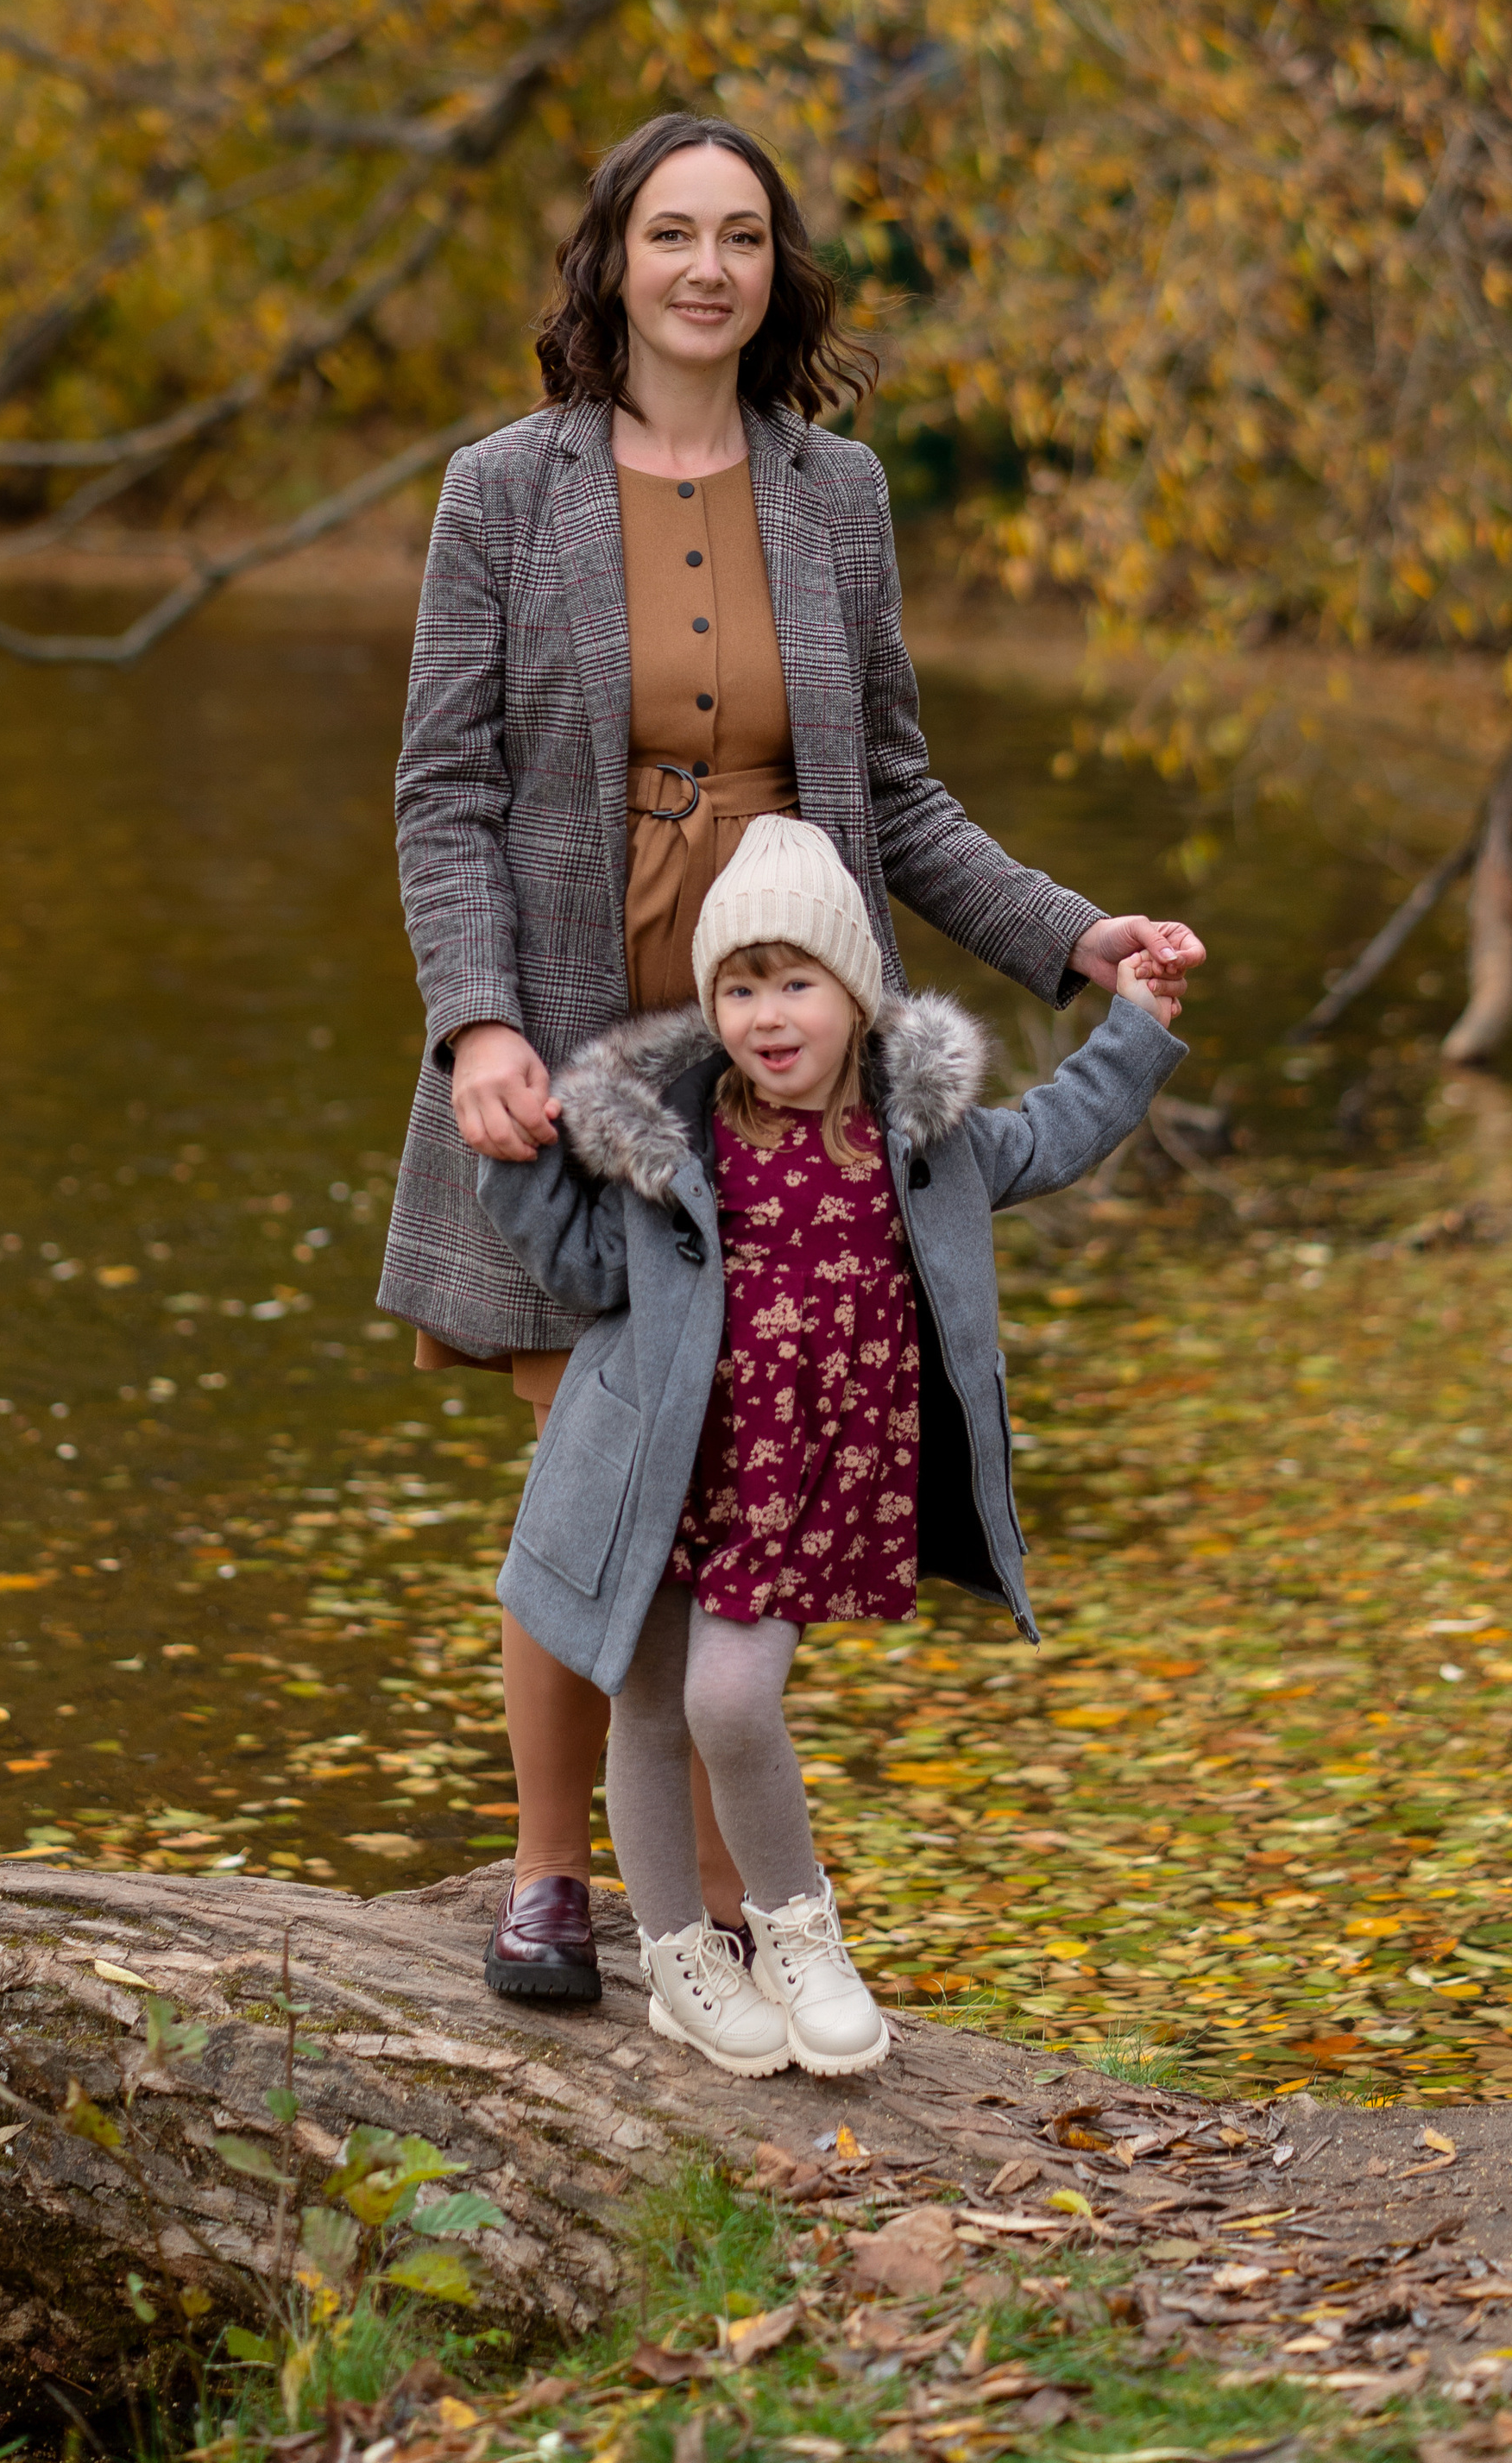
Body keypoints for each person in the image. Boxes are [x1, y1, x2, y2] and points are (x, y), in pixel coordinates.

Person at [375, 110, 1203, 2006]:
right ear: (609, 262)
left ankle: (744, 1919)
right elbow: (443, 799)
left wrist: (1073, 937)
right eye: (670, 233)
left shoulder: (834, 494)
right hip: (572, 1051)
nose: (704, 268)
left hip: (789, 1060)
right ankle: (550, 1884)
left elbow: (894, 798)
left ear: (774, 273)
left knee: (735, 1468)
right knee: (599, 1487)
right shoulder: (500, 491)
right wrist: (474, 1019)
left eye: (739, 237)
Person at [477, 815, 1190, 2077]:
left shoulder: (923, 1143)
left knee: (732, 1698)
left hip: (798, 1485)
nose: (768, 1012)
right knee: (647, 1708)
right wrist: (513, 1162)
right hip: (663, 1468)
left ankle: (798, 1928)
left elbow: (1061, 1130)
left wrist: (1134, 1022)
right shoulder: (675, 1143)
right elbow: (585, 1267)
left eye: (795, 980)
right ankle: (683, 1960)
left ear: (856, 999)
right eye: (740, 987)